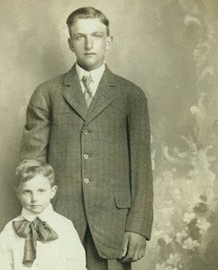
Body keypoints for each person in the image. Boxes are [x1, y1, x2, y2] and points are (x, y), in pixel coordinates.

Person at [20, 6, 153, 270]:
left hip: (113, 227)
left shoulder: (131, 95)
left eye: (97, 35)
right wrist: (36, 220)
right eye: (80, 37)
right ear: (70, 43)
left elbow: (141, 167)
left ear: (109, 41)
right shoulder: (47, 93)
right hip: (58, 221)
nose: (89, 44)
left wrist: (138, 227)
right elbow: (31, 167)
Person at [0, 159, 87, 270]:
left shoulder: (64, 226)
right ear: (18, 193)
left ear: (52, 191)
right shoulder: (10, 230)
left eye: (41, 191)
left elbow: (77, 266)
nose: (34, 199)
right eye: (27, 192)